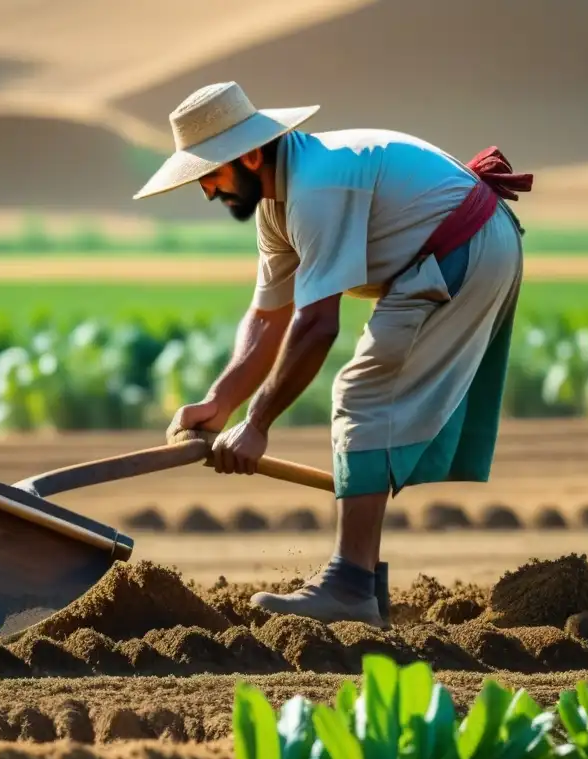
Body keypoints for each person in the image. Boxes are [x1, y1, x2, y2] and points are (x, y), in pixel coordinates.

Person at [132, 82, 531, 628]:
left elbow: (316, 325)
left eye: (210, 175)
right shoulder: (279, 202)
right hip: (459, 249)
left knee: (362, 393)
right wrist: (219, 402)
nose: (206, 192)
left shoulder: (317, 188)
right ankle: (360, 574)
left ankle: (350, 586)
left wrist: (257, 424)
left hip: (466, 249)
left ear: (250, 155)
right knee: (368, 399)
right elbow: (269, 316)